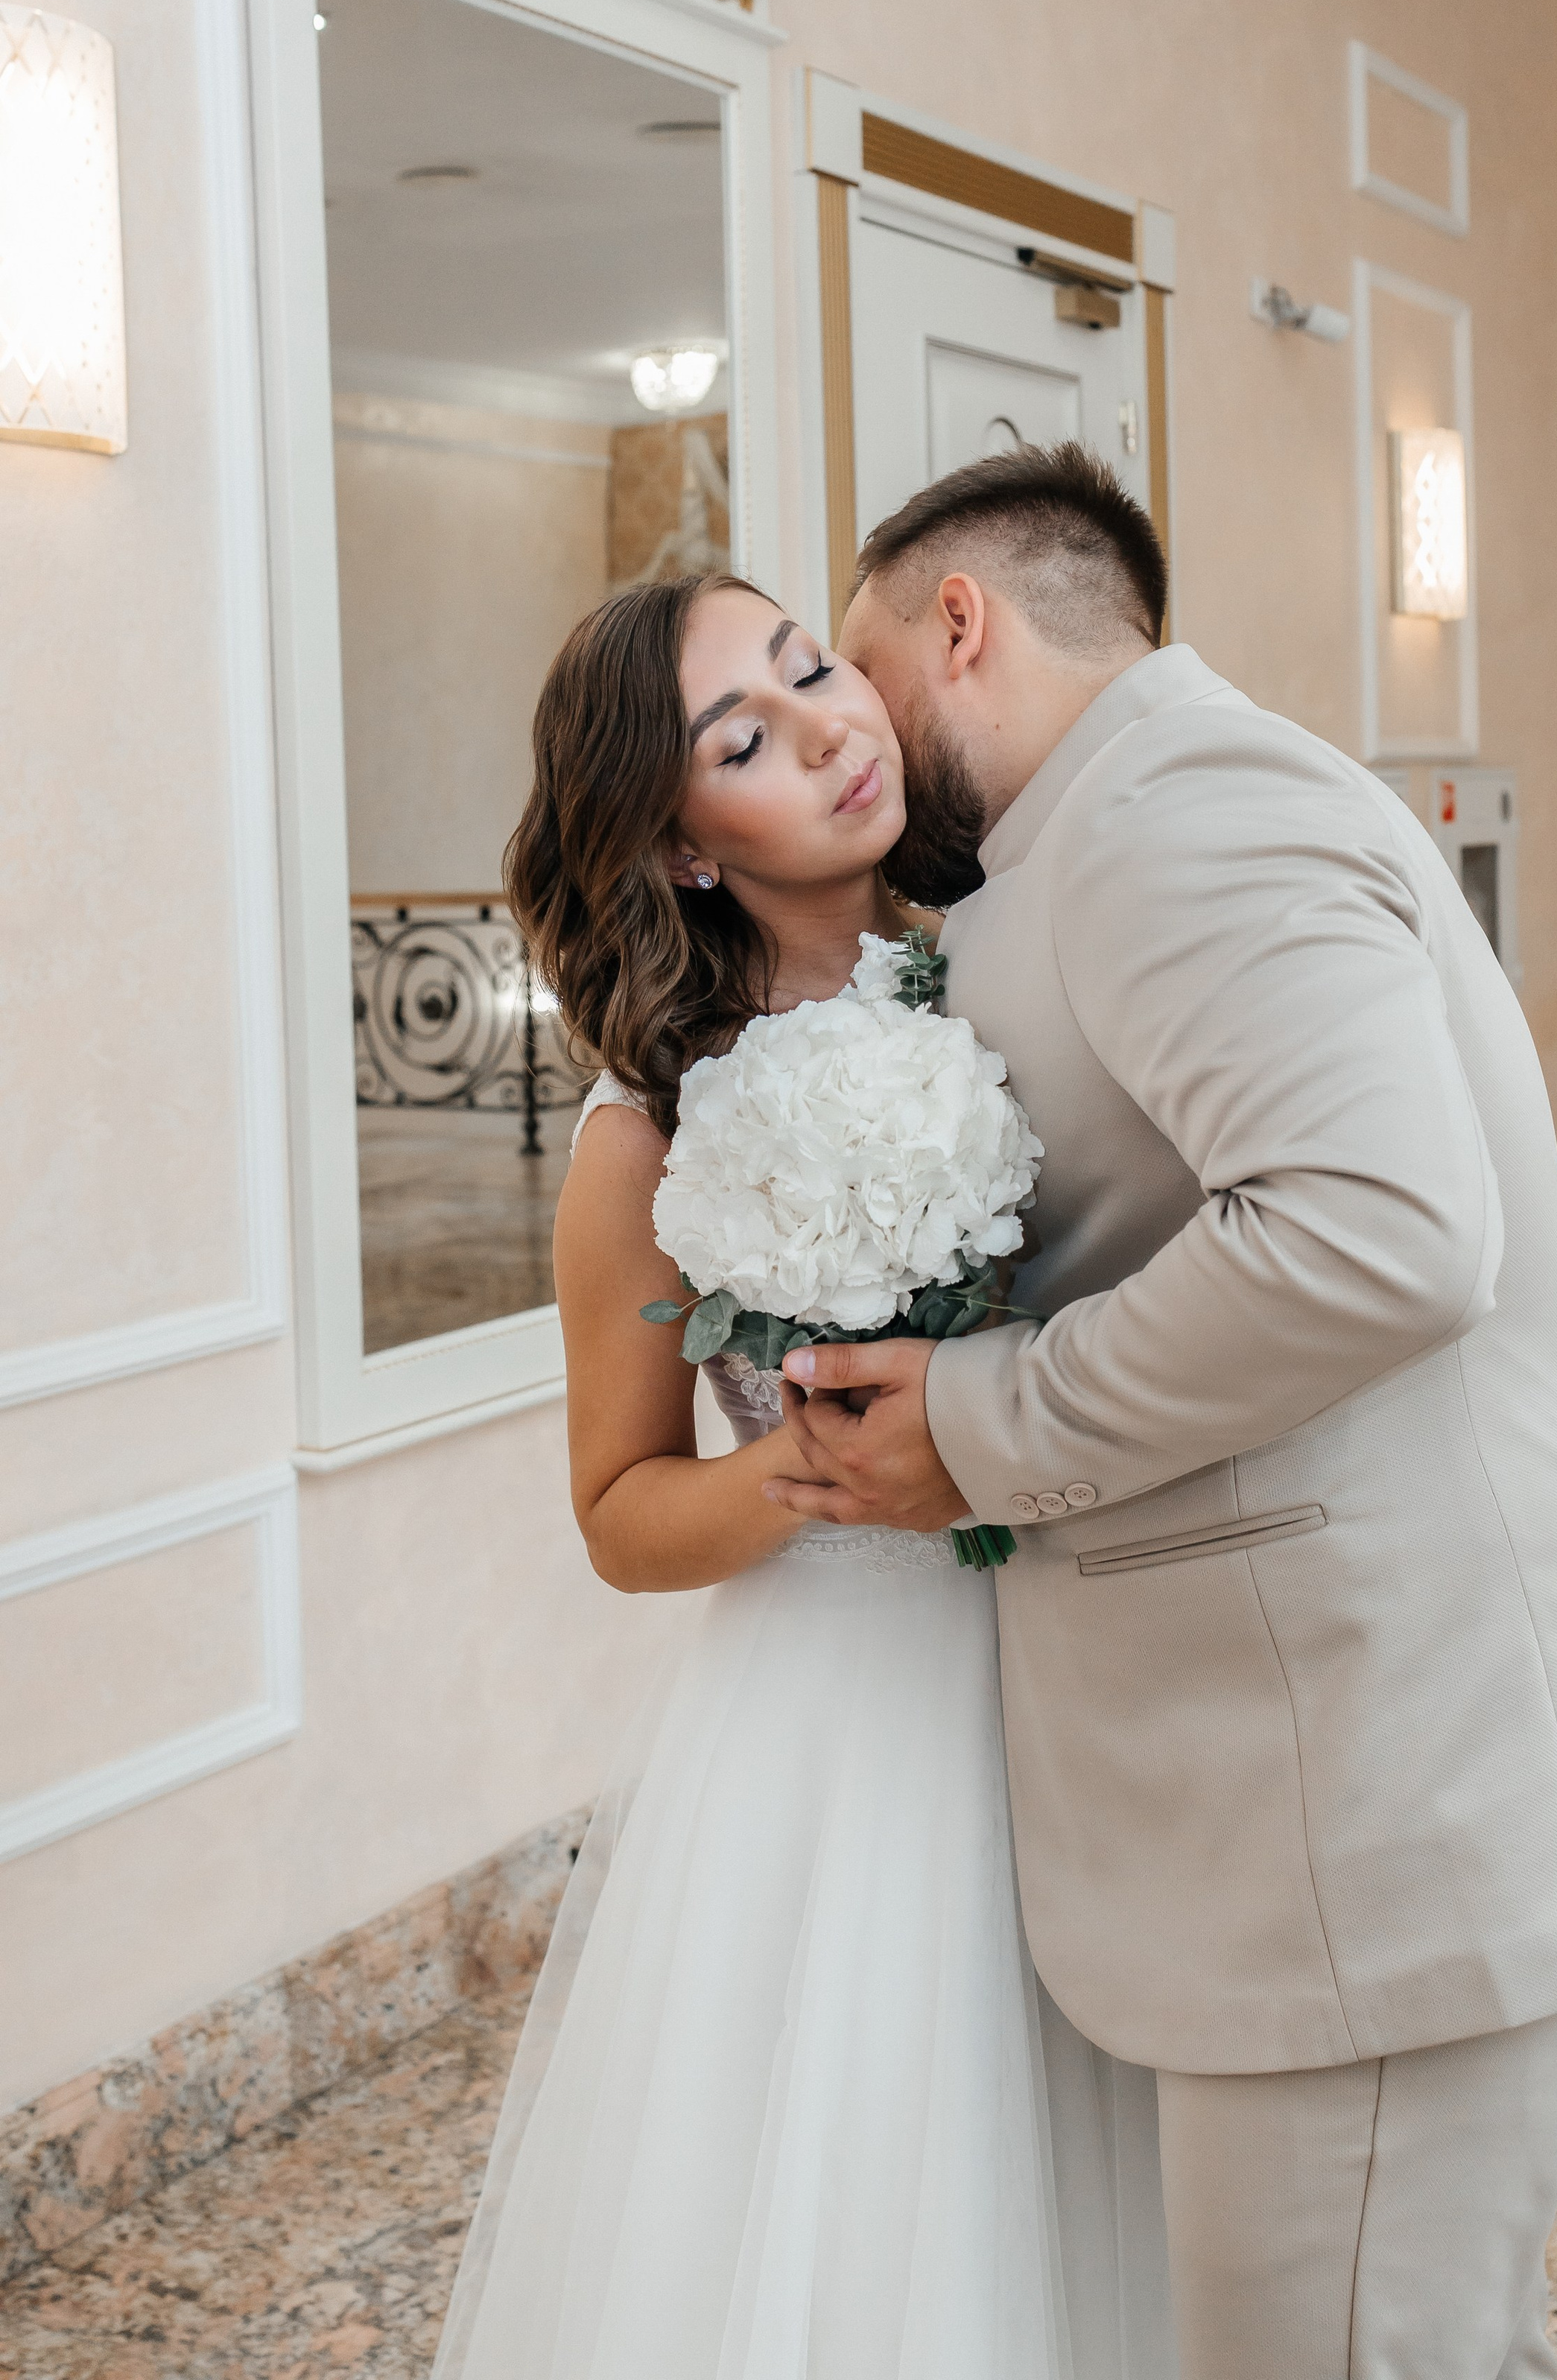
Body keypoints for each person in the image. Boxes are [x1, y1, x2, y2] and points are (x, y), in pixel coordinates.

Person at [764, 445, 1557, 2380]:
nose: (850, 732)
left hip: (1371, 1826)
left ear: (957, 623)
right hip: (1320, 1821)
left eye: (854, 663)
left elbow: (1379, 1234)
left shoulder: (1178, 815)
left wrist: (979, 1419)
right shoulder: (1108, 832)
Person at [430, 571, 1173, 2380]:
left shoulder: (1020, 964)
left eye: (810, 667)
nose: (832, 729)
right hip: (845, 1721)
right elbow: (619, 1516)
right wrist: (813, 1467)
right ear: (682, 846)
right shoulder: (647, 1135)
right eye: (743, 740)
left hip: (1093, 1663)